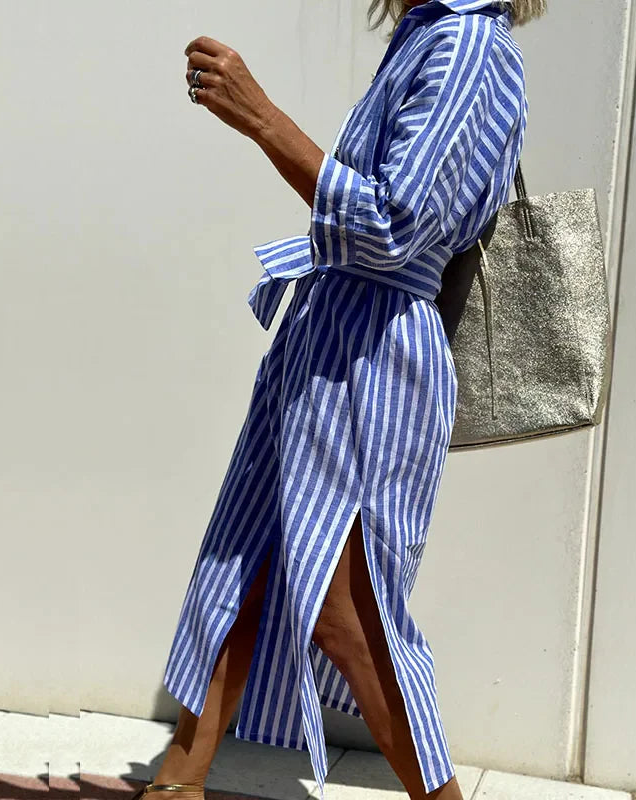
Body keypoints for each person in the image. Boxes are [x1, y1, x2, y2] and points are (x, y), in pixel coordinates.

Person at [132, 2, 545, 799]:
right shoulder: (427, 30)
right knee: (245, 559)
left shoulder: (466, 44)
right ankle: (177, 783)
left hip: (374, 352)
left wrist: (264, 119)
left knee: (343, 607)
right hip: (328, 333)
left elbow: (391, 228)